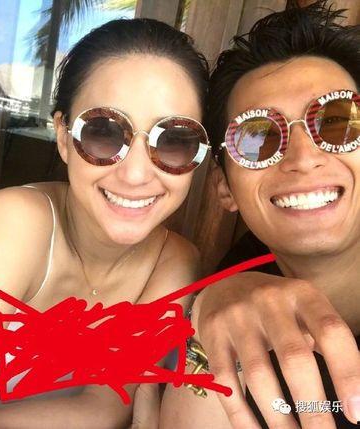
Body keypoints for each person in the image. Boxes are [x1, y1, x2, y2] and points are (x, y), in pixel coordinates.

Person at [0, 18, 211, 429]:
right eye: (103, 132)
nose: (135, 174)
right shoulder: (18, 220)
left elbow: (102, 409)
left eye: (174, 141)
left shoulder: (175, 263)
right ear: (63, 136)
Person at [161, 1, 360, 428]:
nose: (303, 158)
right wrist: (206, 313)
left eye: (338, 122)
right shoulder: (230, 287)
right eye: (256, 138)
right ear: (224, 187)